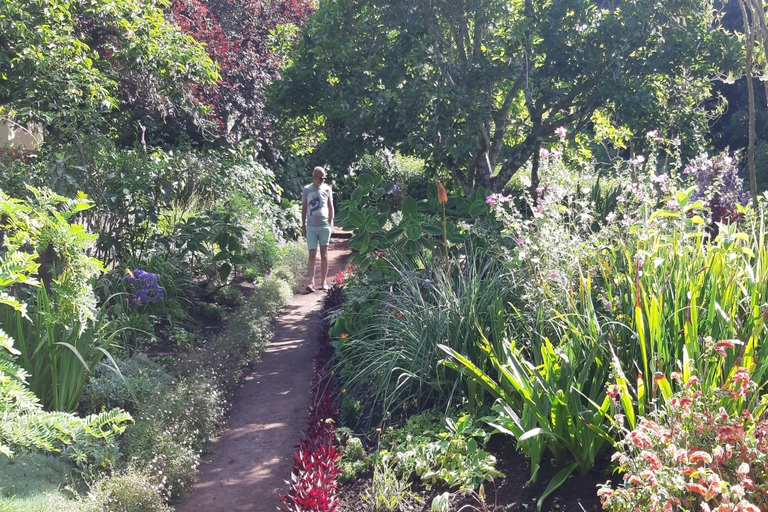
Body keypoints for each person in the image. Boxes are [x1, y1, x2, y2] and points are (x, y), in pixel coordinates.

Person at [301, 166, 334, 292]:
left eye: (324, 178)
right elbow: (304, 208)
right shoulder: (307, 190)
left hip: (324, 226)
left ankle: (324, 282)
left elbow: (331, 207)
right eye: (321, 178)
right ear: (314, 177)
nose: (322, 180)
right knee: (312, 254)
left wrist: (331, 224)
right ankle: (311, 282)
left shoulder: (327, 189)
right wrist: (303, 225)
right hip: (311, 226)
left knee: (324, 254)